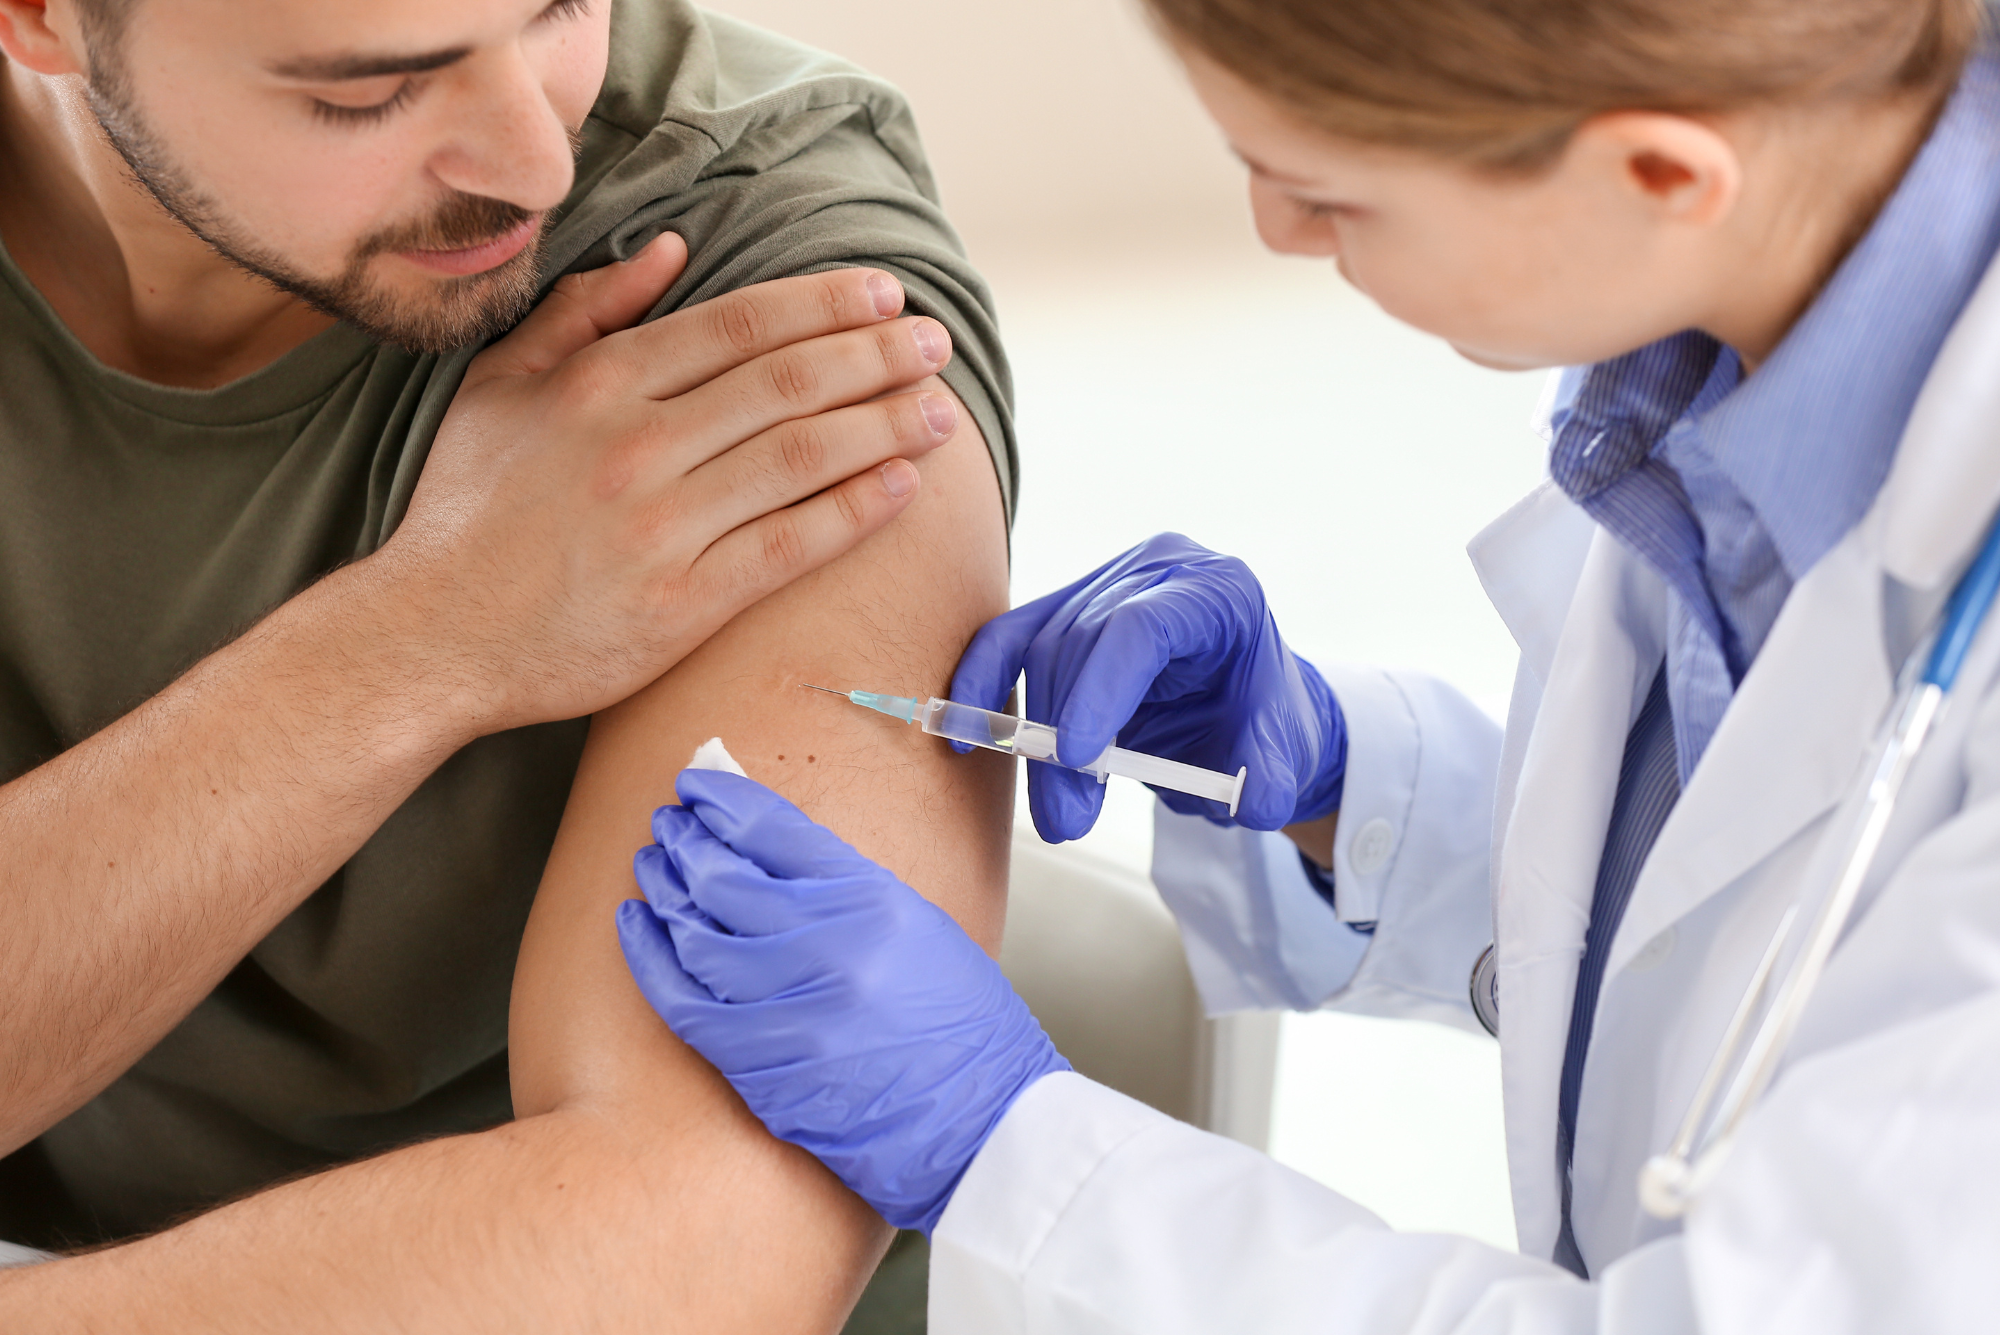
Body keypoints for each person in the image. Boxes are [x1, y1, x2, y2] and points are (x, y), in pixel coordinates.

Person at [616, 0, 2000, 1328]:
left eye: (1331, 195)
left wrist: (1003, 1145)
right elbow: (1751, 895)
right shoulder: (1735, 353)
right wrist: (1348, 779)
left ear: (1655, 170)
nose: (1274, 232)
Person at [0, 0, 1016, 1327]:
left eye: (560, 9)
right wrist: (417, 639)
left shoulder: (769, 277)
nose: (537, 161)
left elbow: (688, 1250)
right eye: (366, 95)